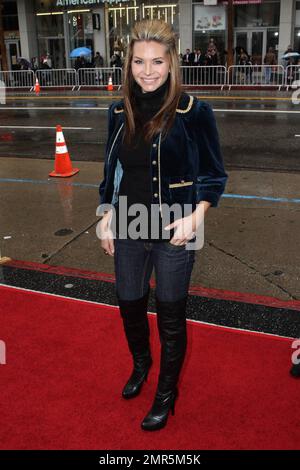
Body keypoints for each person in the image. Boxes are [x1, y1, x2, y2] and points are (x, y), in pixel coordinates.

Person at [97, 19, 228, 431]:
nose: (148, 70)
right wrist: (105, 215)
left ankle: (166, 393)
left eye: (157, 61)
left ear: (172, 63)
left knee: (171, 317)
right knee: (130, 306)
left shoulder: (194, 112)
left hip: (177, 228)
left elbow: (213, 174)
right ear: (128, 63)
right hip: (131, 226)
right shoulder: (118, 111)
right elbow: (111, 172)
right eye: (139, 61)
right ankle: (142, 364)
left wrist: (197, 216)